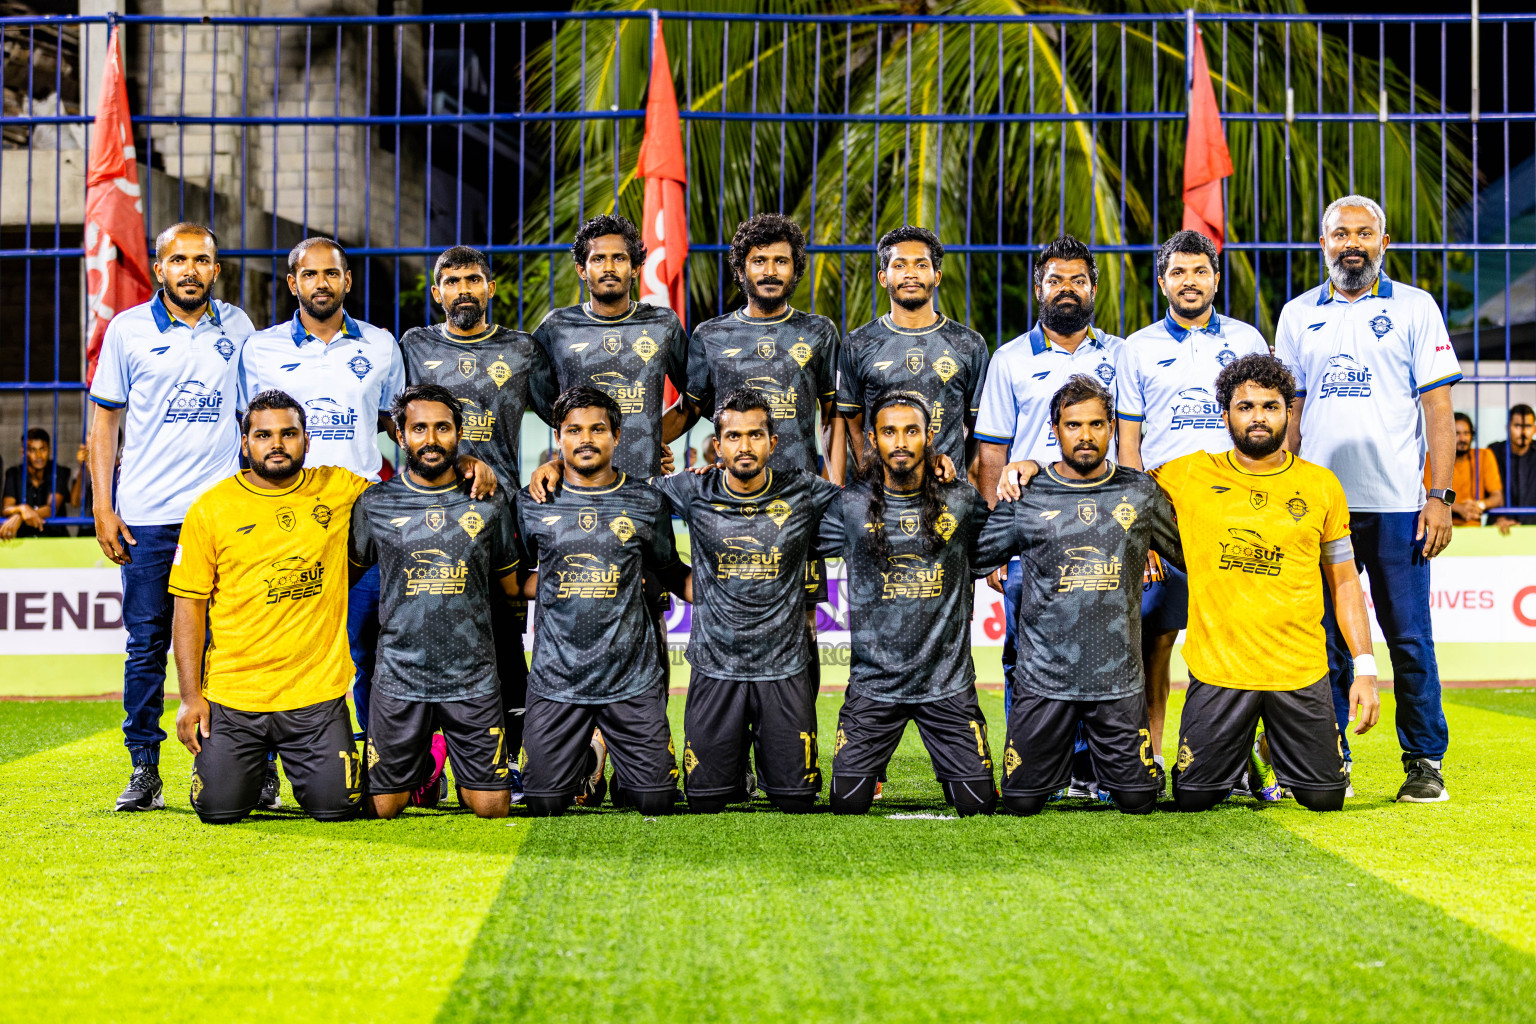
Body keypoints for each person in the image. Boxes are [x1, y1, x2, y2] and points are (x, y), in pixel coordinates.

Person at [1005, 354, 1381, 811]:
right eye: (1245, 407)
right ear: (1225, 416)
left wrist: (1365, 668)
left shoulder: (1322, 486)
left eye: (1270, 406)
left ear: (1289, 413)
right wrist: (1029, 466)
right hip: (1219, 672)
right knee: (1193, 797)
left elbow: (1344, 583)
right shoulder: (1188, 474)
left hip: (1299, 670)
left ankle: (1260, 751)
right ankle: (1238, 754)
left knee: (1324, 799)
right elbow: (1110, 483)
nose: (1258, 416)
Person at [1274, 194, 1460, 803]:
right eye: (1339, 234)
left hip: (1400, 504)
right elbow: (1288, 414)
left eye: (1364, 233)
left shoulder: (1415, 307)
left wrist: (1440, 494)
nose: (1351, 244)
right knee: (1322, 637)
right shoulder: (1297, 314)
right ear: (1322, 244)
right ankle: (1331, 757)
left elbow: (1438, 408)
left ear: (1383, 243)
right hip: (1319, 508)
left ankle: (1424, 761)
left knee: (1408, 637)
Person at [86, 222, 256, 812]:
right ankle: (145, 770)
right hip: (148, 519)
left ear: (216, 268)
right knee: (147, 646)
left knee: (226, 646)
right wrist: (103, 505)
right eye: (178, 260)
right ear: (159, 269)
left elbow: (251, 419)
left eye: (202, 260)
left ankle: (240, 767)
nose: (190, 270)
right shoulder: (127, 330)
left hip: (221, 519)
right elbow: (105, 420)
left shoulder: (239, 327)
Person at [975, 374, 1182, 815]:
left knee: (1139, 801)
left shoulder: (1140, 492)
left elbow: (1191, 554)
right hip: (1046, 682)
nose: (1085, 436)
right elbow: (972, 555)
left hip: (1117, 682)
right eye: (1073, 425)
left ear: (1112, 426)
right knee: (1020, 803)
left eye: (1095, 424)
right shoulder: (1027, 494)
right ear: (1055, 430)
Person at [1113, 229, 1270, 788]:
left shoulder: (1248, 338)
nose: (1189, 281)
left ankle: (1244, 758)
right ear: (1162, 282)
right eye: (1178, 272)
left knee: (1238, 638)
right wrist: (1140, 529)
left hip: (1231, 514)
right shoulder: (1137, 347)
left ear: (1215, 279)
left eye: (1199, 271)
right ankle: (1151, 757)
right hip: (1164, 515)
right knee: (1154, 641)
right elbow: (1127, 443)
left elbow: (1263, 427)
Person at [168, 390, 369, 823]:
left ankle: (286, 766)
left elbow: (412, 493)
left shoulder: (338, 488)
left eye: (288, 433)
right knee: (218, 811)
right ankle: (249, 766)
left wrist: (467, 464)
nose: (276, 443)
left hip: (315, 696)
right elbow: (188, 608)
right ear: (245, 444)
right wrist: (189, 698)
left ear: (306, 441)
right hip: (234, 697)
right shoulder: (211, 508)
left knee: (338, 807)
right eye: (263, 435)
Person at [239, 238, 407, 749]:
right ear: (293, 283)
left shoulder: (380, 345)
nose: (321, 283)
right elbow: (244, 434)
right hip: (285, 520)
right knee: (280, 640)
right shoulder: (261, 348)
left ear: (347, 281)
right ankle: (268, 761)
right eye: (309, 275)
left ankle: (380, 755)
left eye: (331, 274)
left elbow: (399, 424)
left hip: (360, 519)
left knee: (365, 645)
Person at [972, 235, 1123, 793]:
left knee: (1098, 648)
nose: (1067, 289)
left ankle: (1087, 769)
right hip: (1030, 532)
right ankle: (1031, 764)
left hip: (1102, 529)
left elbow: (1131, 439)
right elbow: (992, 454)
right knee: (1025, 655)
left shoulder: (1120, 354)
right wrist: (996, 537)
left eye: (1077, 280)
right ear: (1039, 288)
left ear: (1093, 288)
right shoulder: (1010, 358)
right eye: (1056, 280)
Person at [399, 245, 548, 792]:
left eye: (474, 279)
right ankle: (426, 761)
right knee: (430, 635)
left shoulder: (521, 348)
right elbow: (400, 421)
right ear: (436, 292)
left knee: (505, 643)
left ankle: (512, 759)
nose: (464, 289)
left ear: (490, 289)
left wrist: (555, 459)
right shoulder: (413, 346)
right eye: (452, 281)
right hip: (426, 519)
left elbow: (568, 412)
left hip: (501, 520)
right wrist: (457, 457)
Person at [652, 387, 841, 814]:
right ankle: (736, 768)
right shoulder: (692, 489)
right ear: (717, 446)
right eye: (734, 437)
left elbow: (870, 505)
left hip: (784, 667)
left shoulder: (803, 490)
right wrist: (553, 465)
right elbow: (619, 497)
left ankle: (766, 765)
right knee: (706, 800)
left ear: (773, 443)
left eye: (756, 435)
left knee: (796, 800)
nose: (745, 446)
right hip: (715, 666)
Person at [682, 213, 844, 698]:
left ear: (795, 270)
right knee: (726, 614)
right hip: (728, 509)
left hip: (798, 506)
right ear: (741, 270)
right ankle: (732, 753)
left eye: (781, 261)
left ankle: (796, 743)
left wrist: (833, 479)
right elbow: (687, 413)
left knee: (803, 626)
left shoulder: (819, 332)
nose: (770, 270)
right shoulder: (710, 336)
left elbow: (836, 415)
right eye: (759, 261)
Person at [816, 390, 996, 817]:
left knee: (977, 805)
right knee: (846, 802)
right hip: (875, 686)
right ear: (873, 440)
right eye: (889, 432)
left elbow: (999, 540)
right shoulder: (849, 506)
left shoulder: (961, 500)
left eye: (911, 431)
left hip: (946, 685)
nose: (900, 441)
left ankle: (955, 767)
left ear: (929, 436)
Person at [349, 384, 524, 820]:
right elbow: (346, 577)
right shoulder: (375, 503)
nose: (431, 439)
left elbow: (511, 586)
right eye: (419, 428)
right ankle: (425, 762)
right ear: (401, 435)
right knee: (384, 808)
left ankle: (442, 749)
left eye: (442, 428)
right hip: (399, 674)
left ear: (459, 433)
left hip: (473, 676)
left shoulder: (489, 500)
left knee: (491, 807)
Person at [516, 386, 689, 816]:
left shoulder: (647, 501)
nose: (586, 438)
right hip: (559, 678)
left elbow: (670, 570)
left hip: (629, 679)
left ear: (616, 435)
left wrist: (735, 586)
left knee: (655, 800)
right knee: (542, 802)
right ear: (559, 438)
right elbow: (515, 580)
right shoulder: (532, 501)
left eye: (597, 429)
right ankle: (587, 760)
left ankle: (620, 765)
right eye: (574, 430)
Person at [530, 215, 689, 481]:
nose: (609, 267)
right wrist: (577, 435)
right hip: (579, 478)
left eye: (619, 258)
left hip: (643, 480)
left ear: (636, 267)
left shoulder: (663, 323)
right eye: (598, 259)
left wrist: (650, 438)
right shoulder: (557, 327)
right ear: (582, 269)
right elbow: (536, 392)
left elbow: (695, 396)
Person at [836, 226, 990, 478]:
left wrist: (956, 467)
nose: (910, 274)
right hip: (881, 496)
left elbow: (977, 426)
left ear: (936, 276)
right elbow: (853, 422)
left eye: (920, 265)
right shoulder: (858, 343)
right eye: (899, 265)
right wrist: (873, 473)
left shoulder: (969, 344)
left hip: (947, 495)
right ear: (883, 277)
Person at [1422, 413, 1502, 527]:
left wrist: (1480, 505)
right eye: (1457, 433)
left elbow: (1497, 496)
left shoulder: (1483, 456)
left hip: (1473, 529)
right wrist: (1458, 508)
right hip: (1439, 527)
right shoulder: (1432, 458)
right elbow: (1429, 494)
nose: (1463, 439)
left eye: (1466, 433)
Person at [1, 428, 70, 539]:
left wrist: (19, 516)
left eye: (42, 449)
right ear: (23, 452)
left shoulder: (58, 472)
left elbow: (51, 508)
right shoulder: (14, 473)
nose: (38, 455)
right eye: (32, 450)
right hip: (25, 540)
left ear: (49, 450)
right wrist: (23, 509)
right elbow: (6, 509)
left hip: (55, 539)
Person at [1491, 404, 1536, 531]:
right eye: (1517, 426)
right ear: (1507, 427)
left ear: (1534, 429)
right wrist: (1499, 517)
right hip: (1499, 528)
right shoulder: (1494, 452)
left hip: (1533, 529)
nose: (1523, 432)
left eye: (1527, 426)